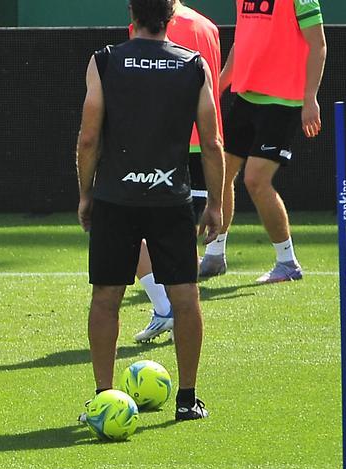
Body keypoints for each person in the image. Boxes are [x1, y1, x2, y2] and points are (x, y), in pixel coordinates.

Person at [76, 0, 224, 420]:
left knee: (106, 297)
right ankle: (187, 399)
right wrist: (214, 203)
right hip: (171, 198)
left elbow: (89, 139)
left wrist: (85, 194)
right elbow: (212, 143)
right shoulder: (193, 65)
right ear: (171, 17)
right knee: (185, 298)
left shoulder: (103, 62)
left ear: (131, 14)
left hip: (114, 198)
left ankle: (103, 397)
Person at [208, 0, 326, 284]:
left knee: (256, 181)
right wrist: (222, 82)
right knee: (219, 174)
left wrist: (310, 99)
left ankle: (287, 263)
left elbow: (318, 45)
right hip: (247, 97)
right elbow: (243, 41)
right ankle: (214, 255)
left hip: (283, 102)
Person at [127, 0, 222, 343]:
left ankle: (165, 308)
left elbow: (139, 86)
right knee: (177, 242)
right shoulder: (208, 26)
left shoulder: (145, 22)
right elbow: (213, 85)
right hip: (203, 141)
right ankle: (172, 310)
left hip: (164, 144)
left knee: (130, 230)